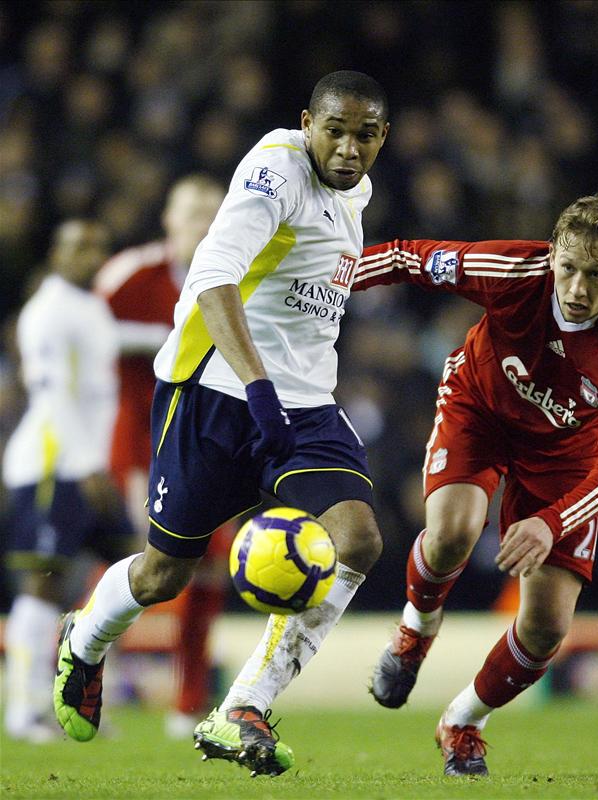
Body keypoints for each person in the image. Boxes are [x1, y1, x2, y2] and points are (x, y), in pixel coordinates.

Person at [53, 70, 390, 776]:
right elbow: (212, 279)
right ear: (308, 124)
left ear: (382, 137)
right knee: (163, 575)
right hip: (213, 390)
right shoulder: (276, 170)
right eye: (335, 130)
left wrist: (283, 391)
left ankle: (243, 707)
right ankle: (84, 638)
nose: (349, 148)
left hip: (303, 402)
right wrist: (258, 386)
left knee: (357, 538)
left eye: (365, 134)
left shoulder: (356, 193)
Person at [354, 194, 598, 776]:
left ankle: (463, 720)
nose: (576, 286)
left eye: (596, 275)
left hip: (566, 453)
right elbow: (407, 258)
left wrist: (552, 522)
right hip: (481, 407)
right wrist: (333, 280)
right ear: (553, 255)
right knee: (452, 533)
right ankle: (415, 631)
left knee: (547, 627)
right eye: (568, 267)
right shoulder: (515, 269)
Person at [94, 174, 231, 739]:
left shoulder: (237, 275)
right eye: (190, 208)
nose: (201, 218)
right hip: (139, 448)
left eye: (210, 209)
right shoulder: (131, 275)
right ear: (168, 219)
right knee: (149, 562)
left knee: (211, 567)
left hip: (207, 445)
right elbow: (83, 336)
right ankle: (87, 665)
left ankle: (189, 701)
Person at [2, 220, 135, 742]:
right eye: (80, 245)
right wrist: (86, 466)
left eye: (99, 244)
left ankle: (84, 697)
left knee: (128, 574)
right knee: (42, 582)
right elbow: (51, 394)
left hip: (89, 466)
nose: (91, 254)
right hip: (52, 466)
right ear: (57, 252)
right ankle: (26, 710)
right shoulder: (47, 311)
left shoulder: (94, 307)